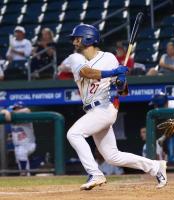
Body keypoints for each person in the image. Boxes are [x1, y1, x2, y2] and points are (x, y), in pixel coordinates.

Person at [65, 24, 167, 190]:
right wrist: (113, 72)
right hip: (92, 110)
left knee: (74, 134)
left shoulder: (109, 58)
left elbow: (123, 92)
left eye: (77, 38)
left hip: (105, 108)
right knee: (112, 156)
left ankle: (95, 174)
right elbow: (87, 73)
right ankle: (156, 167)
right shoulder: (75, 58)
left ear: (89, 38)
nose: (74, 42)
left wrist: (121, 82)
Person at [1, 101, 36, 176]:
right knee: (21, 163)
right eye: (15, 108)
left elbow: (27, 110)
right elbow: (2, 111)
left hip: (29, 144)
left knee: (21, 152)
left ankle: (24, 172)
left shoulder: (26, 115)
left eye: (19, 108)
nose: (16, 110)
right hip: (18, 146)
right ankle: (26, 176)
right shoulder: (11, 116)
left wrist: (11, 113)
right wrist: (7, 111)